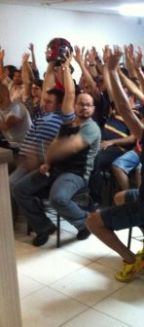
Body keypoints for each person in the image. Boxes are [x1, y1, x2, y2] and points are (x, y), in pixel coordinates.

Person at [86, 48, 144, 283]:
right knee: (120, 197)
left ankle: (130, 259)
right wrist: (137, 70)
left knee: (93, 221)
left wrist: (111, 70)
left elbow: (125, 107)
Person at [12, 54, 101, 246]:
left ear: (93, 109)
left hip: (76, 174)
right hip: (55, 169)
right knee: (20, 189)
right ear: (74, 106)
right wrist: (47, 163)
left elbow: (71, 146)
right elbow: (54, 145)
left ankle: (86, 222)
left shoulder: (91, 127)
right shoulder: (67, 123)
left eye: (88, 105)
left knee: (58, 197)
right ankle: (44, 226)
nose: (84, 108)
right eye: (81, 104)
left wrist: (47, 155)